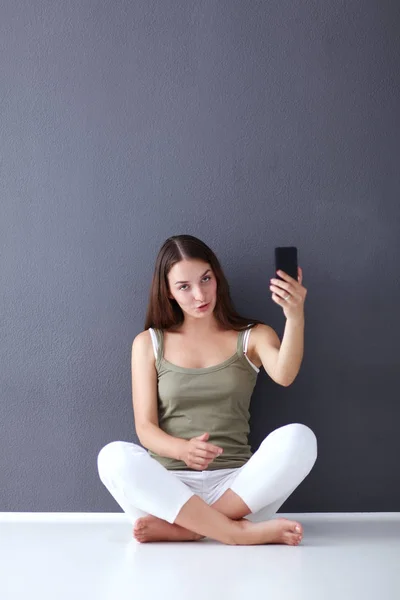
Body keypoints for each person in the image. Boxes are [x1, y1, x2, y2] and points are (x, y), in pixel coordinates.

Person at [97, 234, 317, 546]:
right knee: (112, 457)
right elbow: (145, 429)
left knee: (300, 438)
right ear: (169, 292)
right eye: (184, 286)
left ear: (217, 277)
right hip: (169, 490)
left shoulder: (252, 336)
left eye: (206, 279)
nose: (200, 294)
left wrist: (294, 316)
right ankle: (234, 532)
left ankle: (190, 530)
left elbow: (285, 375)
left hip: (238, 488)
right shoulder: (148, 343)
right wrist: (182, 450)